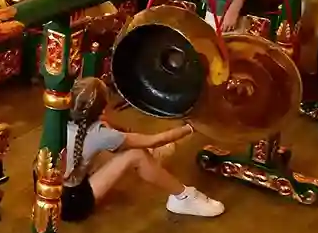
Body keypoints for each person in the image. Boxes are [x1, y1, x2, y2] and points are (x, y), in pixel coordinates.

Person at [62, 76, 224, 221]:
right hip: (73, 204)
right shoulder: (100, 134)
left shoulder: (59, 117)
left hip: (52, 192)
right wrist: (192, 127)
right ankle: (183, 197)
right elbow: (154, 140)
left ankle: (153, 159)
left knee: (115, 140)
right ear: (102, 108)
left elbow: (106, 128)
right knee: (136, 154)